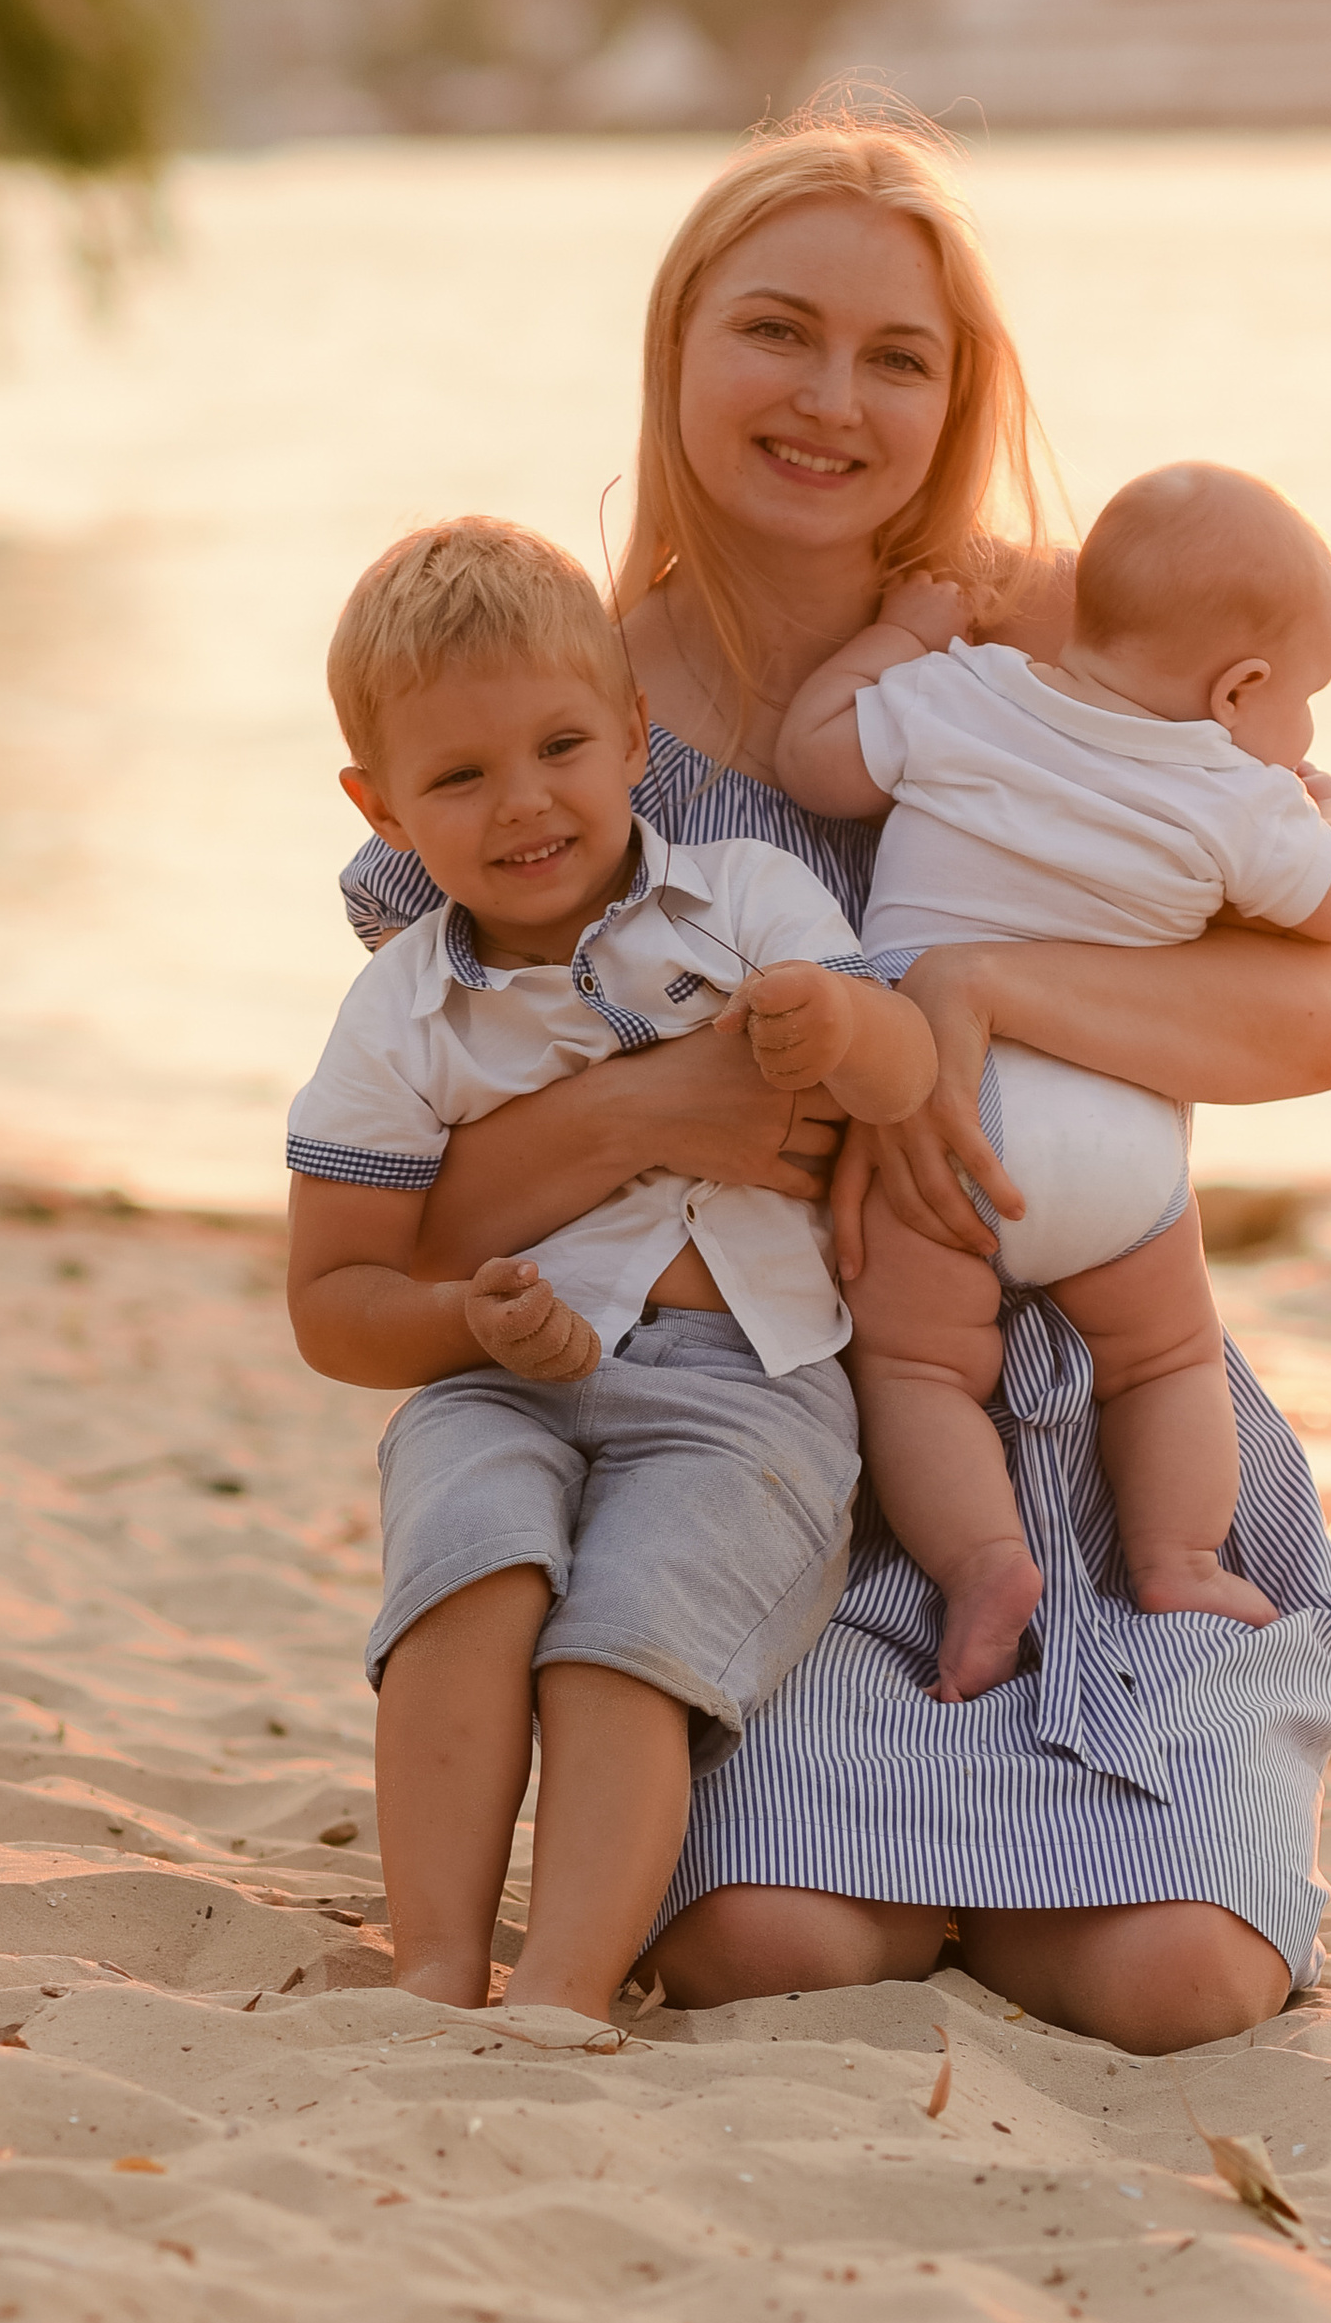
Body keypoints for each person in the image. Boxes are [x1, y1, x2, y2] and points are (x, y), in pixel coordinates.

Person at [299, 107, 1331, 2056]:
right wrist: (652, 1114)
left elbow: (1318, 1019)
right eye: (775, 332)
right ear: (676, 346)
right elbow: (405, 1216)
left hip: (1093, 1398)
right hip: (769, 1429)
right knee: (761, 1946)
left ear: (958, 399)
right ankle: (867, 1822)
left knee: (1178, 1984)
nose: (830, 400)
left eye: (898, 357)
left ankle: (1092, 1813)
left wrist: (978, 986)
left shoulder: (1062, 643)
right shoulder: (552, 718)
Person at [284, 516, 936, 2029]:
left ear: (637, 736)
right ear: (380, 809)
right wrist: (460, 1316)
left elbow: (904, 1073)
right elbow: (331, 1302)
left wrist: (842, 1025)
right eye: (458, 777)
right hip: (494, 1380)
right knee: (465, 1581)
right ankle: (434, 1964)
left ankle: (563, 1991)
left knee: (617, 1647)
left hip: (743, 1395)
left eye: (562, 746)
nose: (525, 801)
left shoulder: (748, 901)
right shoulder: (401, 1013)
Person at [771, 459, 1331, 1705]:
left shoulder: (958, 693)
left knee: (917, 1371)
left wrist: (900, 637)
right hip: (1121, 1146)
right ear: (1240, 689)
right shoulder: (1237, 793)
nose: (1304, 735)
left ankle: (983, 1565)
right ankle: (1177, 1557)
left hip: (944, 1121)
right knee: (1169, 1359)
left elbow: (814, 763)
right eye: (1305, 704)